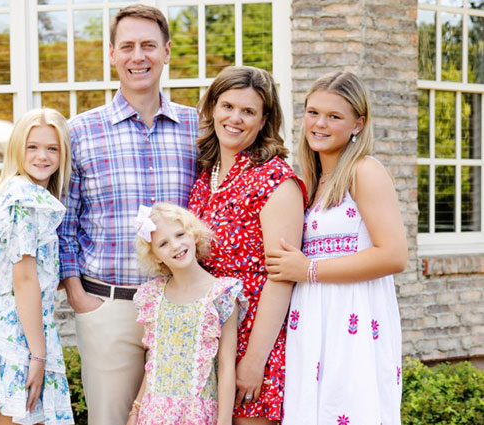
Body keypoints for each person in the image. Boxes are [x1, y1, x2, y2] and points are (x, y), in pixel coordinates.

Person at [57, 4, 199, 425]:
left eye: (149, 46)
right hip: (108, 306)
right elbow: (64, 223)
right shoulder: (79, 131)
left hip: (181, 306)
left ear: (167, 52)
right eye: (129, 46)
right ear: (112, 54)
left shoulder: (200, 128)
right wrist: (78, 295)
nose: (139, 56)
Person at [266, 71, 407, 425]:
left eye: (334, 116)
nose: (319, 123)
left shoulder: (365, 171)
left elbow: (393, 255)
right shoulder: (312, 180)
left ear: (358, 123)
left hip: (352, 320)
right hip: (312, 320)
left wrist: (309, 270)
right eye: (313, 112)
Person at [187, 66, 306, 424]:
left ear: (264, 119)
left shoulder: (274, 179)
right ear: (212, 108)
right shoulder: (204, 175)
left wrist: (254, 361)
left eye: (248, 111)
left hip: (254, 337)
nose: (235, 118)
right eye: (227, 106)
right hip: (208, 338)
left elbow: (281, 276)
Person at [0, 108, 74, 425]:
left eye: (52, 148)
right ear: (17, 150)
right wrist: (37, 354)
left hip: (18, 328)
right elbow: (24, 280)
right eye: (32, 147)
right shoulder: (24, 198)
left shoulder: (27, 195)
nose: (43, 156)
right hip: (17, 336)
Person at [126, 203, 247, 425]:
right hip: (154, 413)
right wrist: (136, 408)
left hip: (197, 414)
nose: (175, 245)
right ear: (156, 256)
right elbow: (155, 359)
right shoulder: (153, 296)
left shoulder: (222, 294)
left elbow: (227, 365)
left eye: (180, 234)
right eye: (163, 243)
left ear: (194, 234)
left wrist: (224, 421)